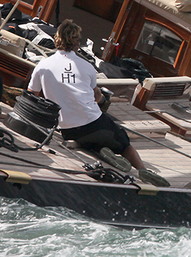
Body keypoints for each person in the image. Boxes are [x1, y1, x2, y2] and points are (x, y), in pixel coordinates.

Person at [28, 19, 170, 187]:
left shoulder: (42, 66)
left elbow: (32, 96)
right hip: (95, 123)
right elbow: (96, 96)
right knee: (123, 143)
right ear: (77, 43)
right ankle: (142, 169)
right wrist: (102, 99)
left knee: (86, 137)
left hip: (67, 129)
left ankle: (101, 151)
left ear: (56, 40)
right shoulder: (87, 66)